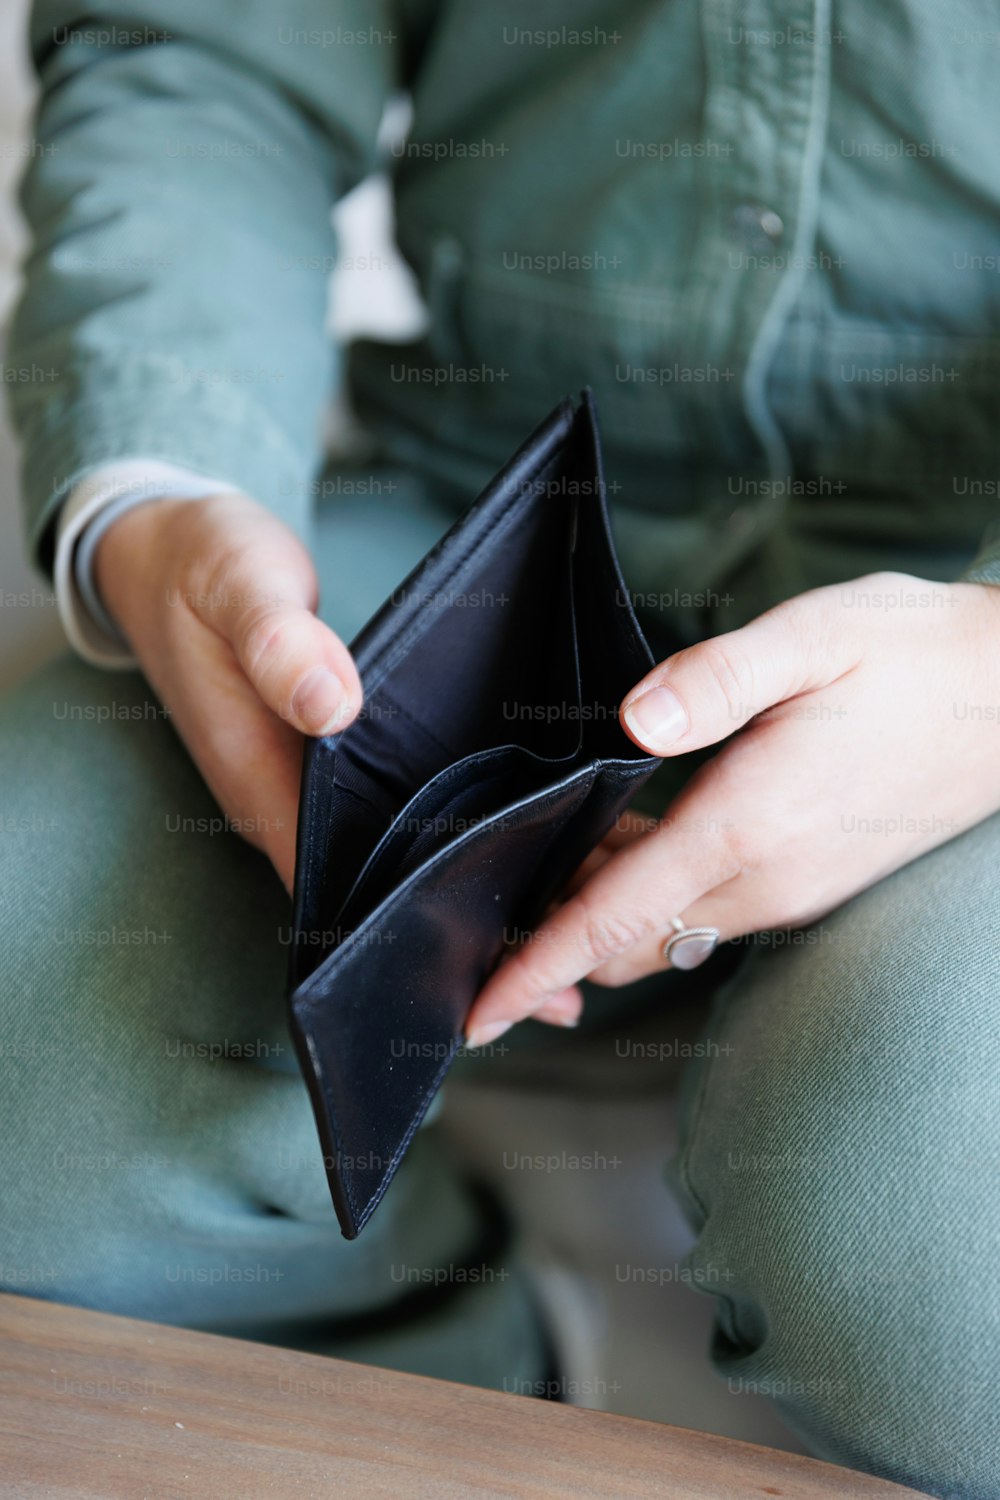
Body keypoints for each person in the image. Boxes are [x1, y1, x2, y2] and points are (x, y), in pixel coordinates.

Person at [2, 4, 998, 1495]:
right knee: (31, 1118)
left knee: (950, 1301)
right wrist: (158, 478)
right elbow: (205, 56)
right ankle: (452, 1370)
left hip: (970, 592)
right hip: (468, 518)